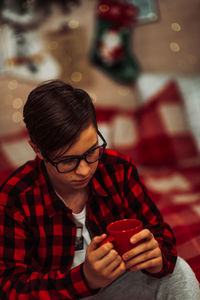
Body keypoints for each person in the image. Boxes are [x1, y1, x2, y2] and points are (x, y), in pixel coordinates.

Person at [0, 80, 199, 299]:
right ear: (37, 150)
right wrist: (85, 279)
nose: (84, 170)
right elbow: (10, 287)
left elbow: (159, 232)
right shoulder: (14, 198)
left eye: (92, 151)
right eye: (67, 161)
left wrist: (156, 255)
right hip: (58, 294)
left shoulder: (117, 169)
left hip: (118, 286)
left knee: (179, 272)